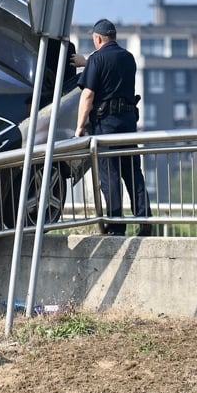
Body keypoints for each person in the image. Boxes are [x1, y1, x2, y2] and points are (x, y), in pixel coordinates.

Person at [75, 19, 153, 236]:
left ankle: (116, 226)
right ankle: (145, 219)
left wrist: (80, 127)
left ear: (98, 39)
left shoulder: (97, 59)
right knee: (132, 171)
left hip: (105, 123)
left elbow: (88, 94)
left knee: (110, 174)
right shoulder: (128, 58)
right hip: (128, 122)